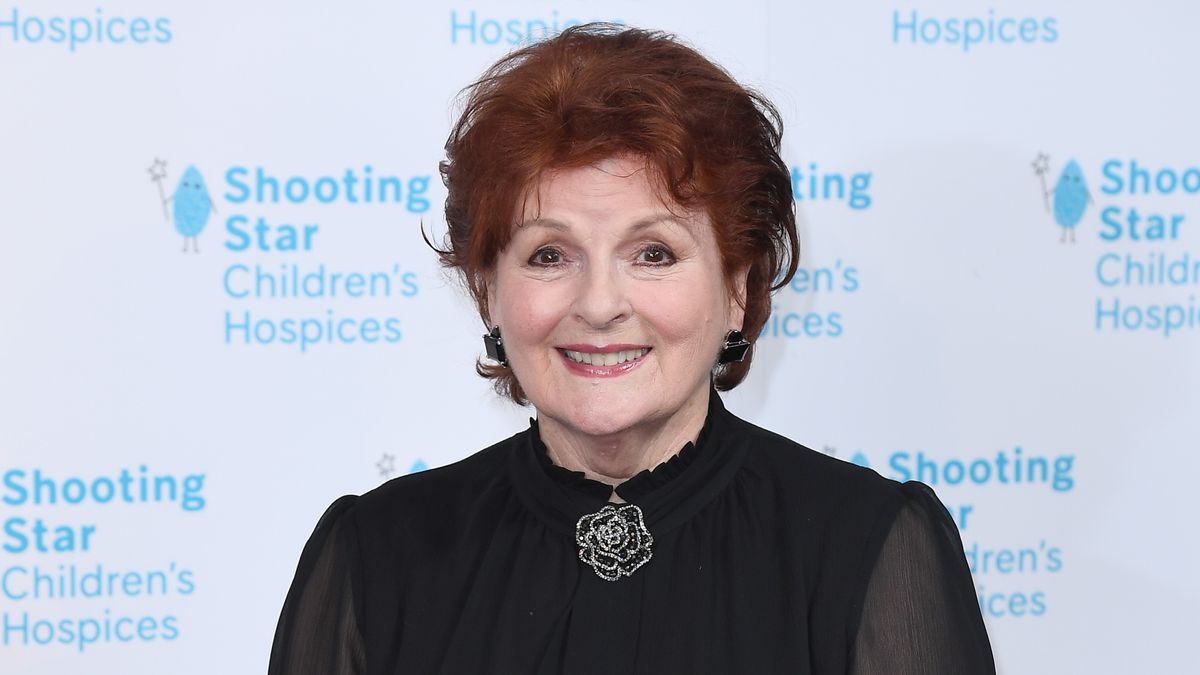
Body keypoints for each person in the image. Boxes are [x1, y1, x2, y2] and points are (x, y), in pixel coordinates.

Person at [269, 24, 995, 675]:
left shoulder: (866, 546)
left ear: (737, 286)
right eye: (549, 255)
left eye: (653, 252)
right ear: (488, 290)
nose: (599, 303)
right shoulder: (376, 553)